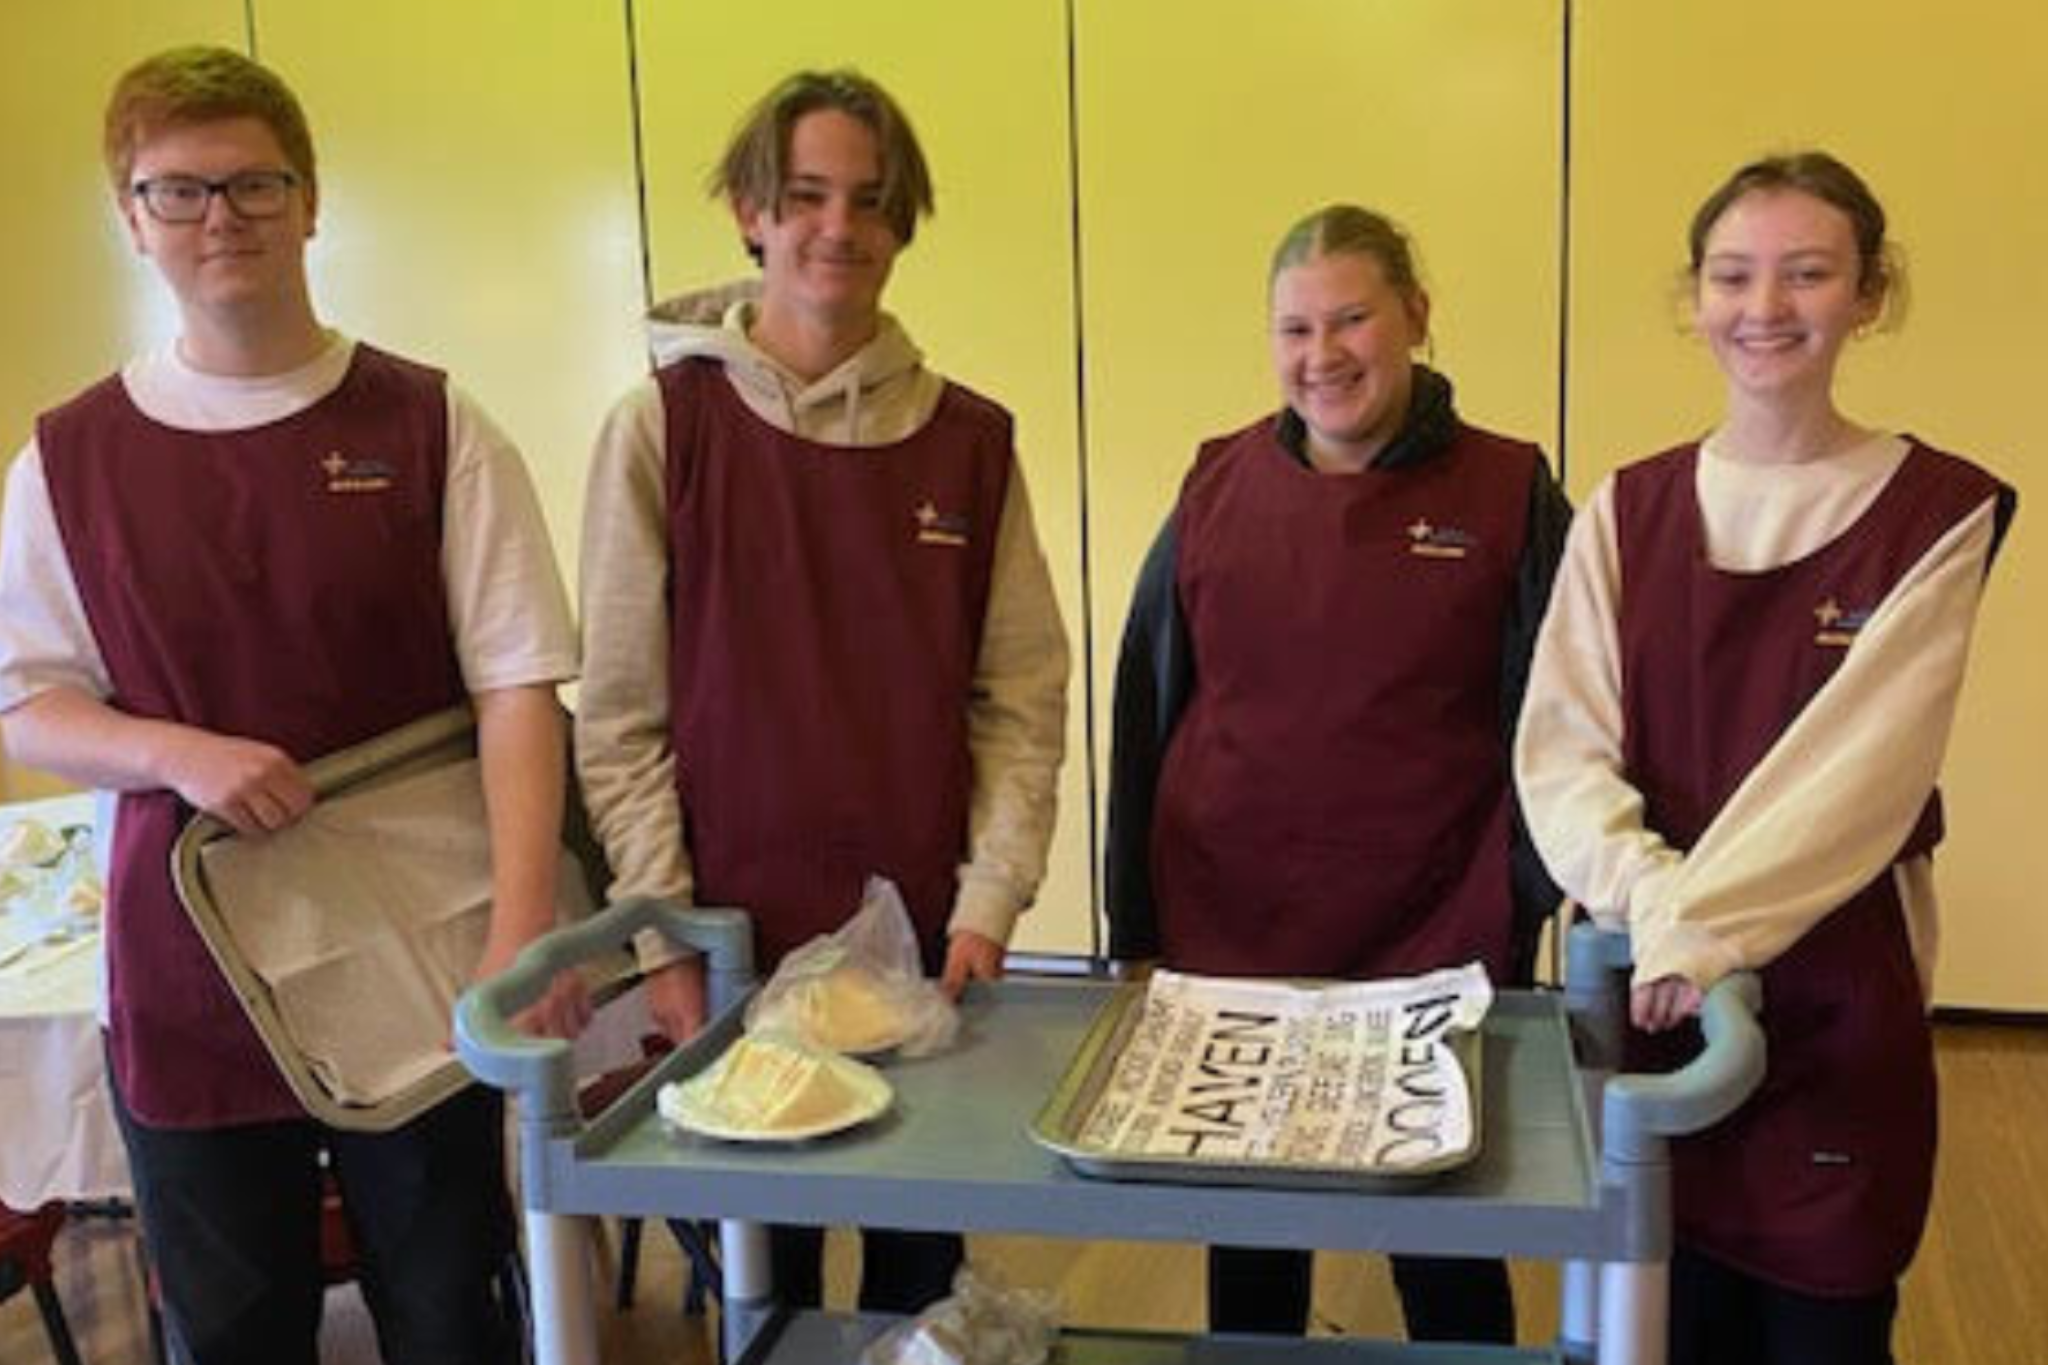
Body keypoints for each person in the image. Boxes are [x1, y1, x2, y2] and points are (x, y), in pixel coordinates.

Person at [0, 46, 587, 1365]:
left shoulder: (432, 423)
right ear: (130, 217)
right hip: (188, 972)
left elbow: (516, 688)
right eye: (179, 191)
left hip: (413, 956)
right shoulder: (69, 458)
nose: (222, 219)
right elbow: (25, 704)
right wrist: (175, 752)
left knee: (448, 1307)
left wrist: (522, 930)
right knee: (232, 1326)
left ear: (311, 202)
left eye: (256, 185)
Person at [575, 68, 1069, 1314]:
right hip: (726, 954)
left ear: (903, 225)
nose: (836, 228)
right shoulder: (660, 430)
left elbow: (1020, 697)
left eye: (868, 201)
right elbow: (622, 717)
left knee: (919, 1289)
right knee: (760, 1294)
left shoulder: (971, 444)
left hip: (923, 956)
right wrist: (663, 935)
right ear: (750, 211)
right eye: (804, 196)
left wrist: (991, 898)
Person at [1515, 151, 2016, 1365]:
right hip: (1654, 991)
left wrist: (1695, 932)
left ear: (1868, 293)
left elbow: (1853, 784)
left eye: (1806, 273)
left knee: (1824, 1324)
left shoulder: (1933, 511)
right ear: (1694, 297)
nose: (1764, 307)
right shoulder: (1623, 509)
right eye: (1732, 276)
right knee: (1666, 1316)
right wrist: (1657, 909)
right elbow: (1561, 752)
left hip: (1832, 997)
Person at [1106, 203, 1570, 1343]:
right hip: (1234, 929)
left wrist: (1514, 898)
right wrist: (1138, 922)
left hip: (1430, 935)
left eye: (1351, 319)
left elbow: (1559, 728)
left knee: (1445, 1237)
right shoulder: (1214, 485)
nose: (1323, 357)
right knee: (1250, 1237)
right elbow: (1145, 703)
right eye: (1294, 330)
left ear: (1415, 314)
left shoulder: (1508, 493)